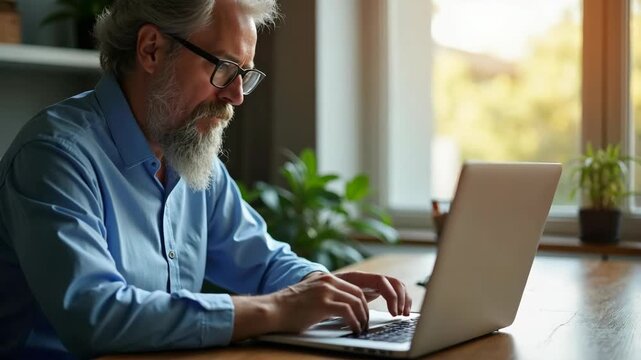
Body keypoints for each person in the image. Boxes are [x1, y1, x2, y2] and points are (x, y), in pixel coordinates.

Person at [0, 0, 412, 358]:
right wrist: (276, 310)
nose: (237, 96)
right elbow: (95, 315)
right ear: (151, 49)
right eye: (223, 67)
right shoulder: (55, 157)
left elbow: (262, 260)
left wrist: (319, 285)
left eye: (245, 73)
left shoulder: (189, 154)